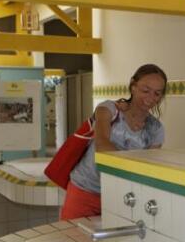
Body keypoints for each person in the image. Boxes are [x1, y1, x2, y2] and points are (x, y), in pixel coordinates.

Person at [60, 64, 167, 220]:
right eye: (145, 90)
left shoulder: (156, 129)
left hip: (120, 197)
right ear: (133, 86)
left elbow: (148, 168)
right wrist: (135, 163)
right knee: (71, 235)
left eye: (157, 93)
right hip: (85, 190)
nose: (151, 98)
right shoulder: (109, 109)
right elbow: (102, 146)